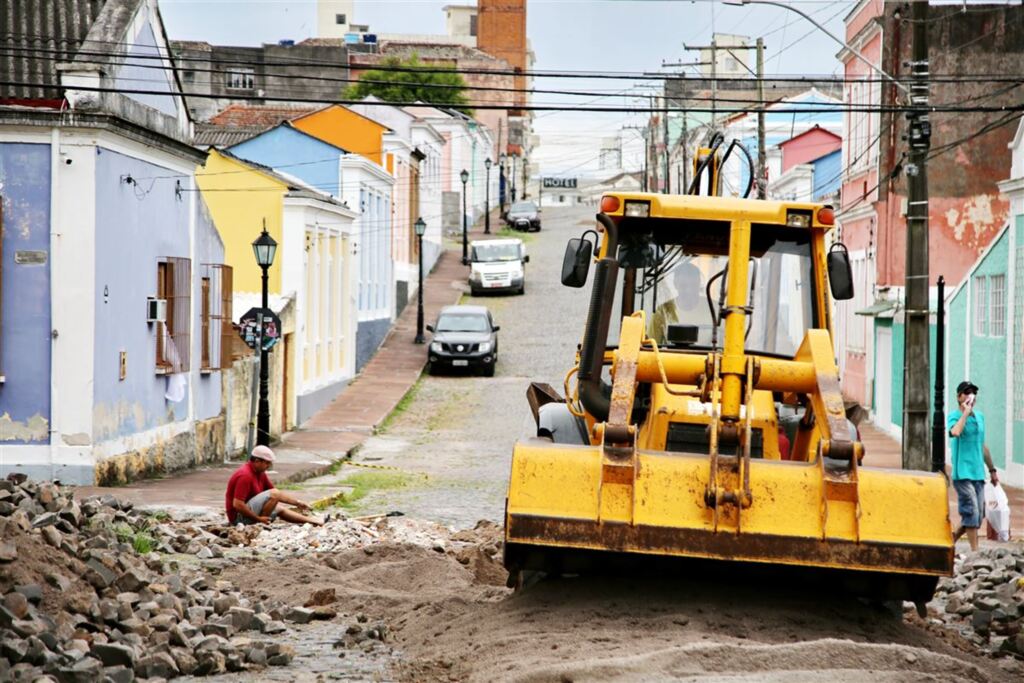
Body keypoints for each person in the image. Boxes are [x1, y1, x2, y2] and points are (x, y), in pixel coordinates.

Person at [948, 381, 999, 551]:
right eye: (967, 392)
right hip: (962, 474)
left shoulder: (980, 417)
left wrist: (992, 470)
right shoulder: (954, 416)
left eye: (973, 392)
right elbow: (955, 432)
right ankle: (975, 552)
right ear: (959, 397)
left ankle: (951, 539)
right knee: (971, 511)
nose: (971, 395)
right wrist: (965, 413)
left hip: (978, 473)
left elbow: (982, 446)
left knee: (979, 514)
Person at [225, 446, 327, 526]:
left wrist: (298, 503)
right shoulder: (245, 475)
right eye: (267, 463)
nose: (268, 466)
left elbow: (275, 493)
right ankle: (261, 524)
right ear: (257, 461)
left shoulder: (260, 473)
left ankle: (314, 521)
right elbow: (238, 504)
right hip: (238, 519)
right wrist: (258, 518)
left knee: (279, 508)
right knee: (274, 494)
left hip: (249, 513)